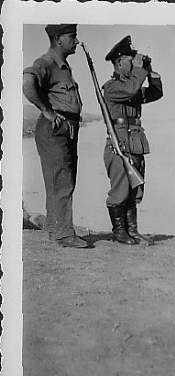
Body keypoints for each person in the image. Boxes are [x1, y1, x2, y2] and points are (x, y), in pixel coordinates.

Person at [23, 24, 89, 248]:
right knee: (61, 180)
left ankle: (54, 228)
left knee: (61, 179)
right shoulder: (47, 63)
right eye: (73, 37)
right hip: (56, 128)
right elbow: (27, 83)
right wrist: (47, 112)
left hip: (67, 128)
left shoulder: (62, 66)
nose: (77, 41)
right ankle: (64, 234)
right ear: (59, 39)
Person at [102, 35, 163, 245]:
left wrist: (149, 68)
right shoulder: (112, 87)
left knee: (133, 191)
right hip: (119, 146)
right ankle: (119, 231)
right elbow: (131, 89)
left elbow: (156, 93)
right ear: (119, 62)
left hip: (134, 144)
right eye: (130, 59)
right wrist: (140, 71)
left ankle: (132, 230)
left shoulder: (132, 87)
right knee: (120, 191)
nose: (134, 62)